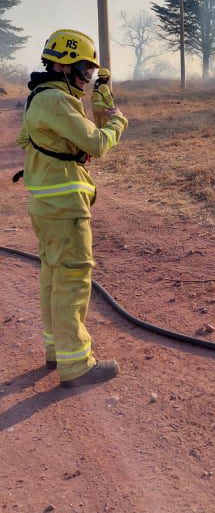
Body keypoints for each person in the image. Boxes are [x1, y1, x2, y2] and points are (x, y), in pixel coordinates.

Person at [16, 29, 128, 388]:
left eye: (91, 73)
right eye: (84, 70)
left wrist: (69, 141)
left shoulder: (42, 97)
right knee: (73, 279)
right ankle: (77, 364)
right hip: (65, 207)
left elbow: (26, 139)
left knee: (53, 275)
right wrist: (116, 121)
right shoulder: (57, 101)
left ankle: (57, 349)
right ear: (64, 66)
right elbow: (96, 142)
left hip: (46, 203)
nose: (87, 78)